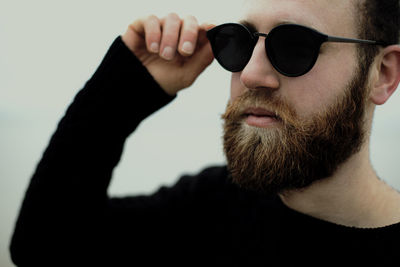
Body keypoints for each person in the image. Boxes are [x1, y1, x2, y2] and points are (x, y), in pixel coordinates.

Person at [9, 0, 400, 266]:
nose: (249, 74)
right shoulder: (214, 207)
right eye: (239, 44)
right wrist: (125, 86)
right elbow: (44, 244)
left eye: (295, 46)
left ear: (381, 74)